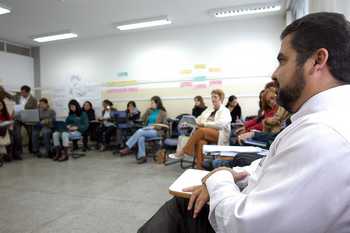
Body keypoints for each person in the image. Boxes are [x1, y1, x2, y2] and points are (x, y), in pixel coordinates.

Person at [137, 12, 350, 233]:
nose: (274, 73)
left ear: (317, 61)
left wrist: (219, 177)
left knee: (182, 207)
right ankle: (190, 157)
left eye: (282, 60)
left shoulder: (323, 135)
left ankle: (184, 155)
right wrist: (235, 174)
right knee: (191, 184)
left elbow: (242, 226)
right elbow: (273, 164)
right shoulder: (324, 122)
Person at [169, 89, 231, 169]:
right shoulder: (209, 109)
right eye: (212, 97)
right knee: (200, 142)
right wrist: (189, 123)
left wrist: (204, 124)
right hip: (206, 133)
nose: (213, 99)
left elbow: (220, 124)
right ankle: (200, 167)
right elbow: (198, 119)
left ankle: (183, 151)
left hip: (219, 134)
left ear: (221, 98)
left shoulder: (225, 111)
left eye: (215, 97)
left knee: (201, 130)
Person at [119, 96, 167, 164]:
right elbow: (142, 119)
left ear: (157, 103)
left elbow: (165, 124)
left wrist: (154, 127)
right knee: (140, 137)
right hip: (146, 129)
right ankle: (142, 157)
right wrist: (146, 113)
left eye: (152, 103)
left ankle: (128, 147)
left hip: (156, 130)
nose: (151, 104)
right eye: (151, 103)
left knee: (140, 131)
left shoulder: (163, 112)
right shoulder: (149, 110)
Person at [0, 85, 38, 157]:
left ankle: (31, 148)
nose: (22, 94)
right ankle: (18, 152)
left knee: (31, 134)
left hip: (28, 120)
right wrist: (3, 90)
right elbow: (10, 96)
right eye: (21, 92)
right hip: (18, 118)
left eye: (24, 93)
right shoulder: (17, 97)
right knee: (17, 135)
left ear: (28, 92)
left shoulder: (34, 100)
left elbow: (34, 110)